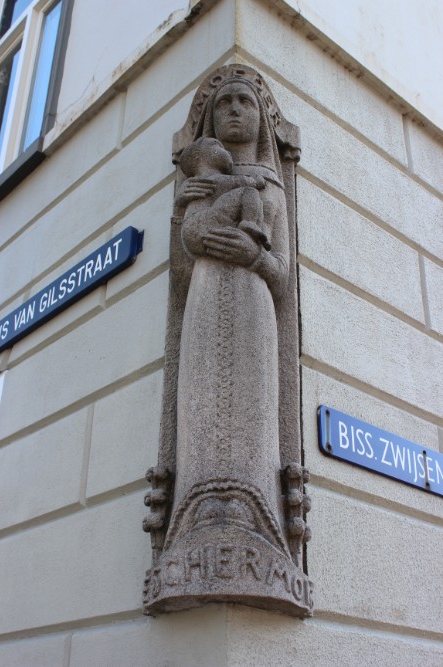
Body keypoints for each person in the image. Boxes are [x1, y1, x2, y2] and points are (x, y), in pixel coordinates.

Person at [166, 75, 291, 558]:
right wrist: (182, 213)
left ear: (261, 118)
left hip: (253, 303)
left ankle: (255, 513)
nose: (236, 109)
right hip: (202, 300)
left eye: (246, 101)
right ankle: (195, 515)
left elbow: (282, 277)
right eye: (225, 103)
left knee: (253, 404)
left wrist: (254, 255)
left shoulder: (272, 189)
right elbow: (180, 278)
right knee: (200, 399)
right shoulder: (196, 185)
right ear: (211, 118)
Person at [178, 135, 271, 256]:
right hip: (201, 225)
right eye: (216, 145)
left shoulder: (194, 182)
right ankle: (248, 222)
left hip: (191, 236)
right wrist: (255, 181)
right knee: (248, 192)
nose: (227, 151)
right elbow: (237, 182)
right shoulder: (211, 179)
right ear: (197, 157)